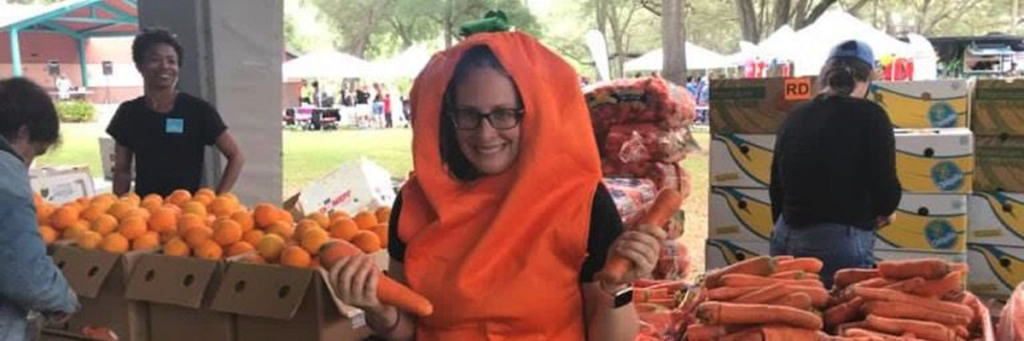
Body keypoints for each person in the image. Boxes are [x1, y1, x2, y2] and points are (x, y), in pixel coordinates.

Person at [328, 31, 666, 340]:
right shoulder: (418, 199)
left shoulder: (583, 202)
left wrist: (617, 289)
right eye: (469, 114)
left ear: (534, 113)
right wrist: (379, 309)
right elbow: (408, 329)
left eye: (504, 114)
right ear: (449, 117)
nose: (485, 133)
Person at [769, 40, 901, 288]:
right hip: (838, 242)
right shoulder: (871, 116)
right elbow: (885, 186)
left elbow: (777, 183)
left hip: (784, 234)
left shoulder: (796, 115)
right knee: (835, 320)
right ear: (868, 78)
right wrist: (886, 210)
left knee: (790, 316)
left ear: (824, 75)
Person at [107, 28, 244, 197]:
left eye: (171, 61)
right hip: (145, 213)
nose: (164, 66)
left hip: (190, 212)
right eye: (154, 60)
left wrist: (218, 199)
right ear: (139, 66)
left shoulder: (198, 110)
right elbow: (122, 169)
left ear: (178, 67)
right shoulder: (128, 112)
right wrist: (120, 206)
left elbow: (235, 155)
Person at [0, 77, 80, 340]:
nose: (29, 165)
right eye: (36, 151)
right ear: (23, 132)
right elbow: (23, 267)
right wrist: (61, 298)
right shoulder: (6, 176)